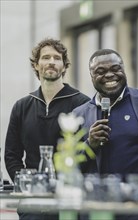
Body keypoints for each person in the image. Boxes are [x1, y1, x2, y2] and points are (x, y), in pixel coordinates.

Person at [72, 48, 138, 220]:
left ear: (124, 69)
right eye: (100, 71)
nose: (109, 75)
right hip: (98, 212)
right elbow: (67, 166)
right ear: (91, 76)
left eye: (115, 69)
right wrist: (88, 145)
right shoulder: (78, 115)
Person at [5, 38, 90, 220]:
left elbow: (89, 152)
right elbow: (12, 154)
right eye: (45, 57)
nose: (51, 62)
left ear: (64, 66)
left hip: (69, 203)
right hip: (32, 204)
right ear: (36, 65)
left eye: (57, 58)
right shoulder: (22, 106)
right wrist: (25, 185)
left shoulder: (82, 103)